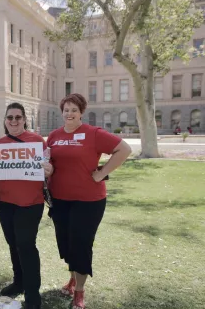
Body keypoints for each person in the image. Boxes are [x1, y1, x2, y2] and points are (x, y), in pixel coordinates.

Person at [46, 93, 131, 309]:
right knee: (65, 244)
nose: (70, 113)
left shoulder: (93, 134)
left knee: (81, 244)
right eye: (66, 110)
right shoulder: (54, 136)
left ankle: (80, 293)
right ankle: (73, 279)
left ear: (81, 112)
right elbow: (50, 163)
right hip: (60, 199)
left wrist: (102, 173)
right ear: (62, 112)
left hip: (88, 201)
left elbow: (124, 149)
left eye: (74, 110)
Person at [0, 102, 53, 309]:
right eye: (10, 117)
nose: (14, 121)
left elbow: (46, 171)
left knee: (26, 245)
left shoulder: (38, 142)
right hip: (6, 203)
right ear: (5, 121)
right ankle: (19, 282)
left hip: (30, 203)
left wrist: (48, 170)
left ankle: (33, 294)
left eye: (18, 117)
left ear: (24, 119)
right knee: (13, 243)